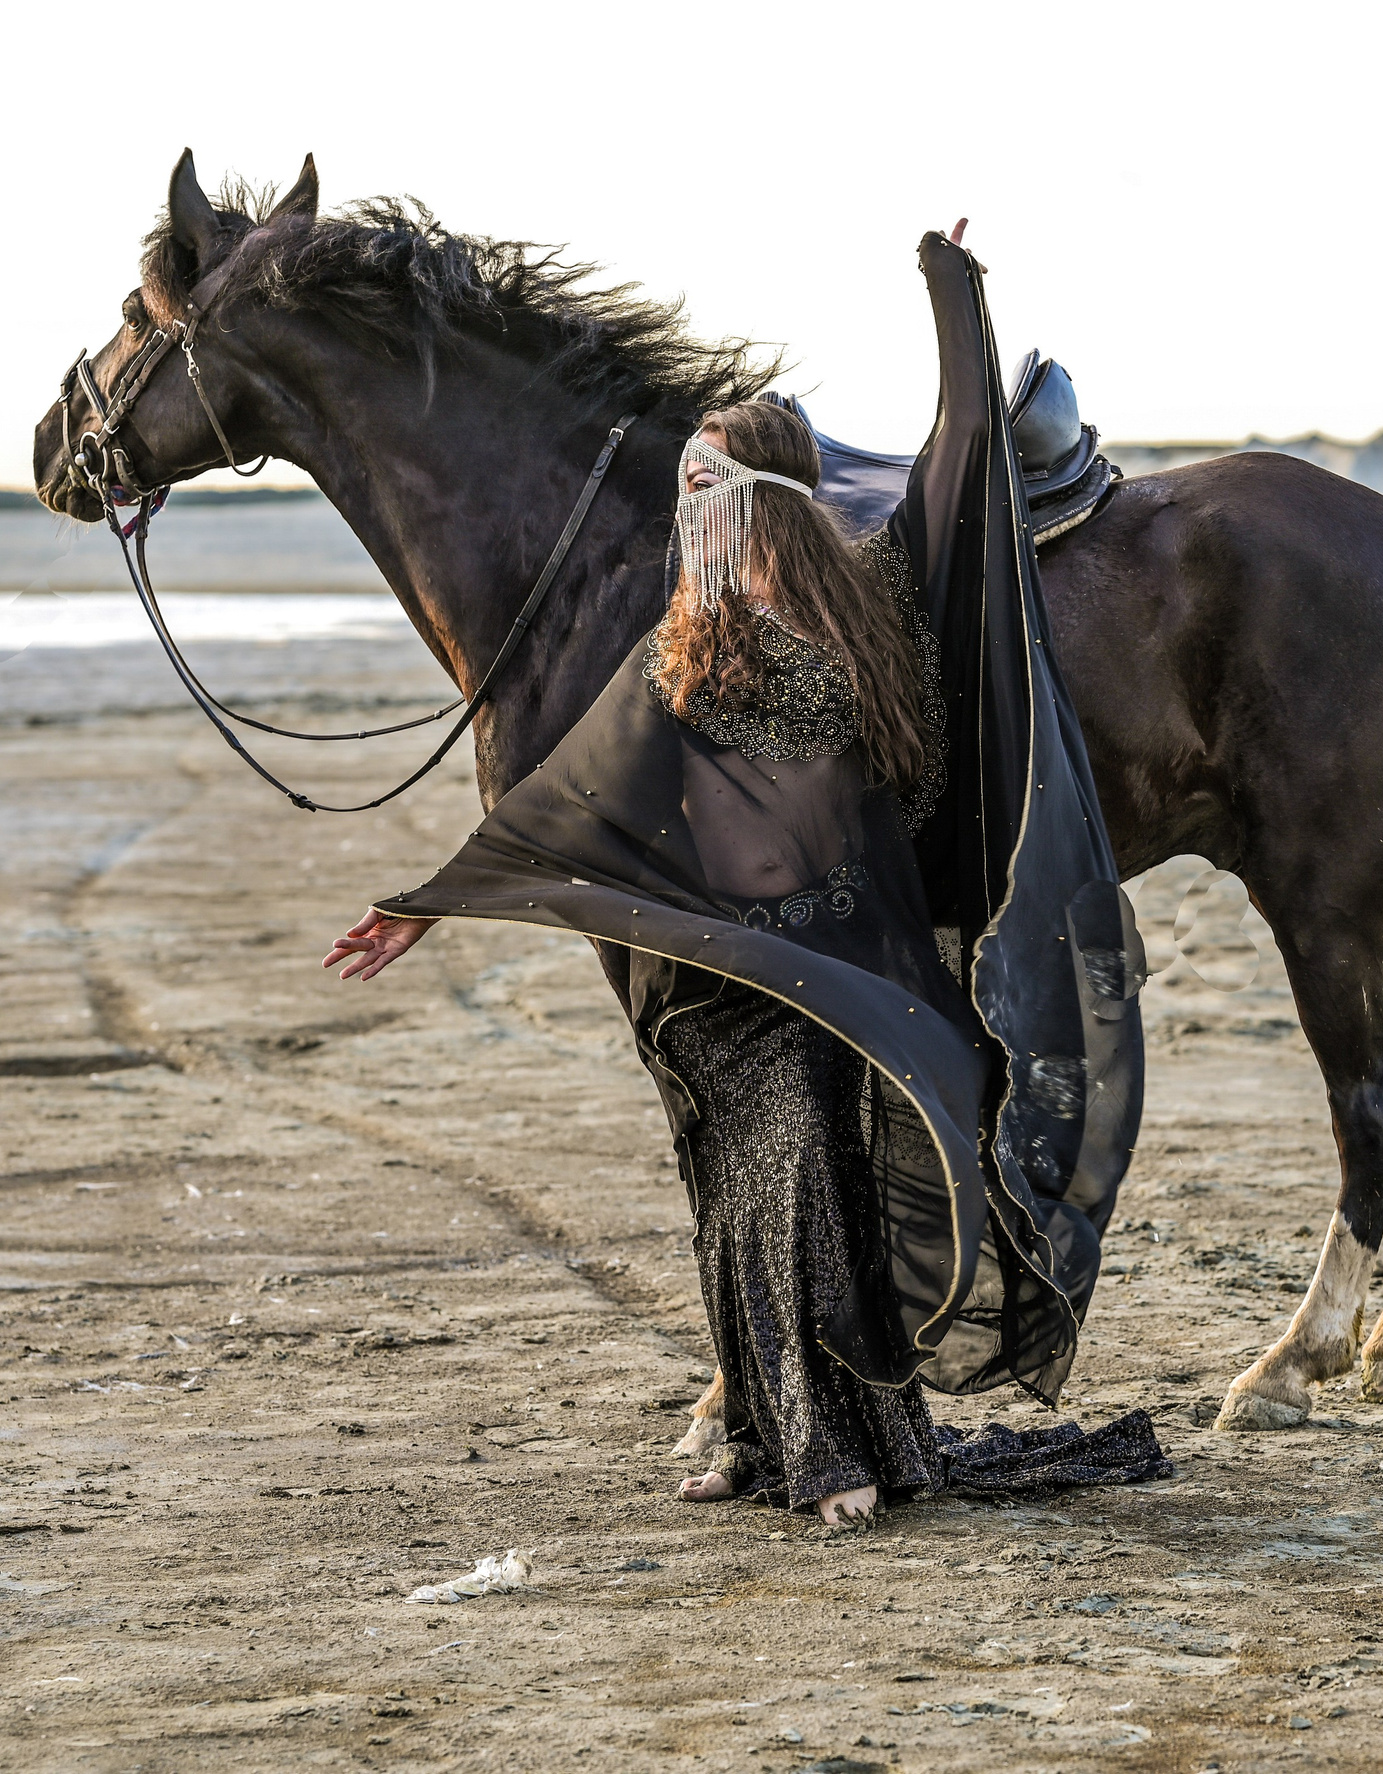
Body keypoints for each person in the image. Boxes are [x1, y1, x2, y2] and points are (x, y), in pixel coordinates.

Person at [323, 228, 1166, 1526]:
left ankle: (839, 1452)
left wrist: (958, 304)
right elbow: (573, 796)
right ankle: (770, 1440)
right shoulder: (685, 635)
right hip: (700, 989)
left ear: (740, 496)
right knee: (735, 1212)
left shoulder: (870, 612)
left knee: (802, 1207)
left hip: (815, 979)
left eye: (699, 481)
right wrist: (424, 904)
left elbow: (960, 461)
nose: (683, 501)